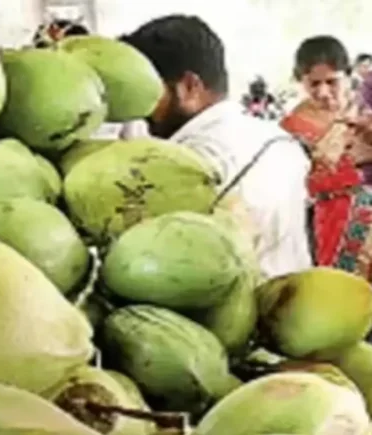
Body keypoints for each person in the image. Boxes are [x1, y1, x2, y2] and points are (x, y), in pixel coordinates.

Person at [122, 15, 312, 279]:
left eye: (147, 90)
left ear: (190, 87)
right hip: (297, 296)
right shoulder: (281, 141)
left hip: (239, 304)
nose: (139, 107)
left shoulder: (184, 164)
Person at [281, 37, 372, 277]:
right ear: (301, 81)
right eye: (314, 84)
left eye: (332, 82)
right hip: (328, 222)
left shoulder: (364, 110)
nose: (323, 92)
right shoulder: (291, 128)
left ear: (348, 75)